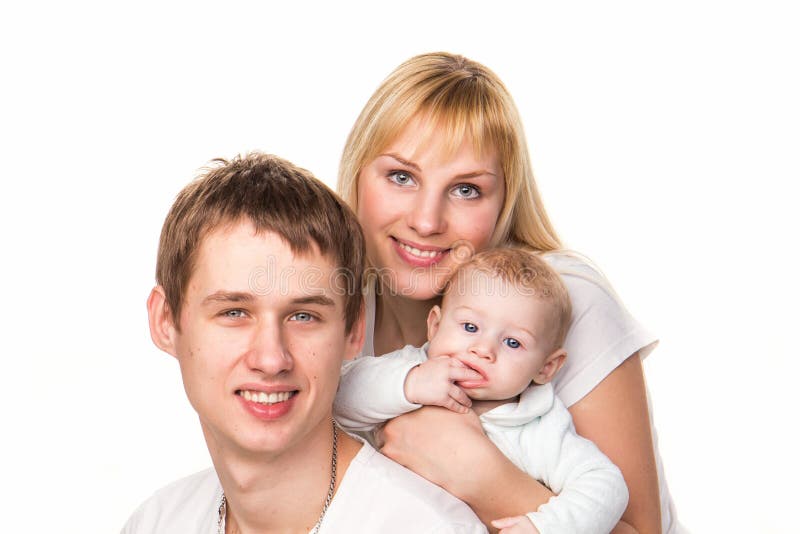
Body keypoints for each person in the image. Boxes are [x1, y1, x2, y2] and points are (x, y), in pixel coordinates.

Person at [337, 52, 684, 533]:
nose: (426, 220)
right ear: (358, 173)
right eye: (401, 177)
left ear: (505, 200)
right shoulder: (335, 303)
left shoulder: (564, 301)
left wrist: (483, 478)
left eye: (466, 190)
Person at [123, 153, 487, 533]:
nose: (270, 358)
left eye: (304, 317)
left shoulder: (429, 527)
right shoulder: (155, 522)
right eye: (234, 312)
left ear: (353, 329)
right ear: (165, 321)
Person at [335, 248, 629, 534]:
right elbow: (337, 399)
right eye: (470, 327)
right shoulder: (413, 368)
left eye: (513, 342)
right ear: (435, 326)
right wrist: (410, 384)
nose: (483, 350)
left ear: (546, 367)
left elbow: (606, 484)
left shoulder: (537, 424)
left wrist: (545, 526)